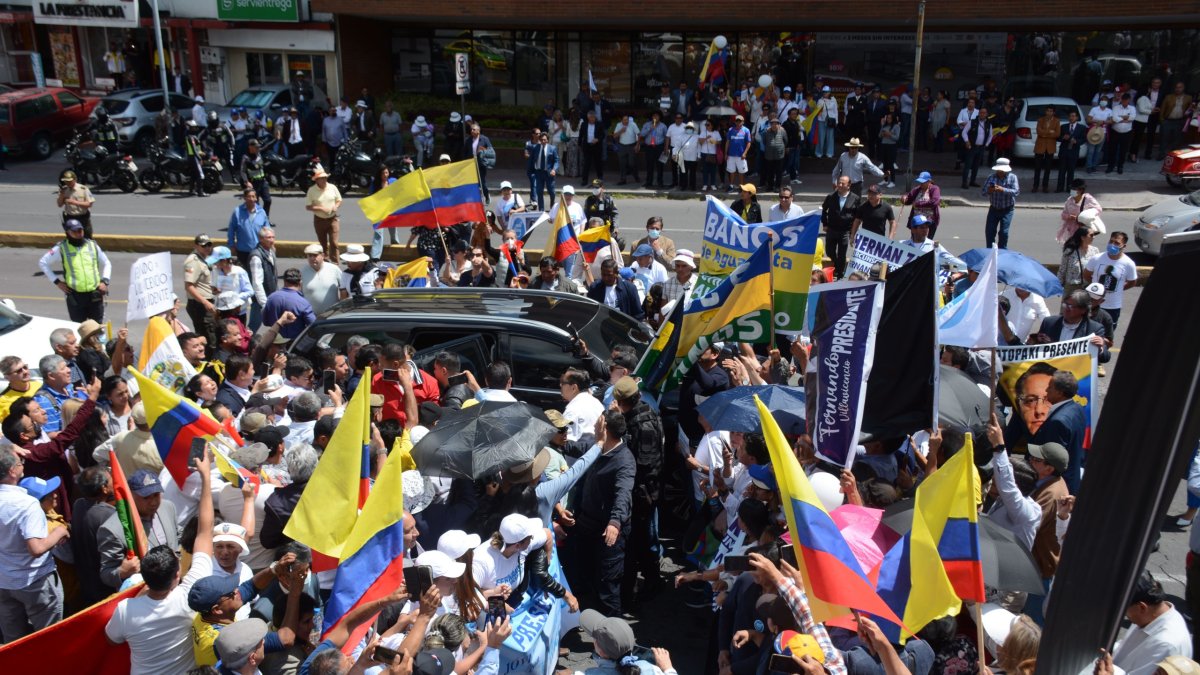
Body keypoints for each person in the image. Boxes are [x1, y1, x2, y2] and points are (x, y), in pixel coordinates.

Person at [105, 453, 215, 675]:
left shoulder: (126, 611)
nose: (155, 501)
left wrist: (137, 597)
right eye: (147, 496)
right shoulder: (188, 599)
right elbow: (205, 531)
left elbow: (111, 639)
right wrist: (205, 477)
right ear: (177, 575)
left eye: (157, 494)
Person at [565, 411, 635, 616]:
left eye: (597, 423)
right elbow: (576, 448)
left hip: (608, 532)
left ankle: (612, 636)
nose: (594, 426)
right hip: (587, 524)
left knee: (608, 583)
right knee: (585, 574)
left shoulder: (624, 460)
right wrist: (554, 441)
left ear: (604, 429)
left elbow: (623, 494)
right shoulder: (597, 447)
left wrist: (614, 522)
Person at [0, 446, 69, 642]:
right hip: (35, 583)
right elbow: (36, 548)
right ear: (13, 471)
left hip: (4, 583)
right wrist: (59, 532)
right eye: (20, 463)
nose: (23, 466)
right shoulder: (27, 504)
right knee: (48, 640)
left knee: (14, 642)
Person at [38, 218, 111, 323]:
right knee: (79, 327)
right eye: (74, 231)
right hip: (76, 296)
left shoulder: (92, 245)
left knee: (98, 327)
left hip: (94, 294)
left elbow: (107, 263)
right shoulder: (61, 248)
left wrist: (105, 281)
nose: (78, 234)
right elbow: (43, 262)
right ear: (67, 232)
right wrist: (57, 282)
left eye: (80, 230)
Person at [1084, 231, 1139, 329]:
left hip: (1113, 306)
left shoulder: (1128, 264)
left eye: (1117, 243)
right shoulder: (1097, 258)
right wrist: (1095, 288)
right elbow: (1087, 275)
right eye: (1111, 241)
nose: (1112, 245)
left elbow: (1132, 282)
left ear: (1124, 246)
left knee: (1107, 335)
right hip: (1093, 303)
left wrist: (1119, 289)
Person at [821, 176, 862, 278]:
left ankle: (840, 274)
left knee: (842, 254)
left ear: (849, 185)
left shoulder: (855, 198)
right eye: (839, 183)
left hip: (845, 231)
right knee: (829, 251)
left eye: (843, 183)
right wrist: (825, 224)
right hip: (831, 229)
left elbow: (858, 216)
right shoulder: (831, 196)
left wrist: (853, 232)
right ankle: (837, 265)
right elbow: (823, 210)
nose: (840, 185)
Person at [263, 269, 316, 342]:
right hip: (293, 344)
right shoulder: (303, 303)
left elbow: (266, 322)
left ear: (284, 281)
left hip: (274, 342)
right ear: (300, 283)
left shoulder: (271, 298)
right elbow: (313, 325)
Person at [184, 234, 217, 347]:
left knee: (211, 335)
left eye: (209, 245)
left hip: (206, 303)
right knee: (208, 338)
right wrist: (205, 302)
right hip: (200, 306)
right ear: (196, 246)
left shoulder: (204, 258)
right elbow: (189, 286)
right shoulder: (193, 261)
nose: (207, 248)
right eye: (204, 246)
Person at [305, 166, 342, 264]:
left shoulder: (332, 187)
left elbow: (339, 200)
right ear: (317, 180)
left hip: (333, 218)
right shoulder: (312, 190)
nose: (324, 180)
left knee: (334, 243)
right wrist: (321, 208)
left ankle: (335, 263)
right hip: (319, 219)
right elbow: (308, 206)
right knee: (323, 244)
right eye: (322, 178)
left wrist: (336, 206)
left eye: (325, 178)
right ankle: (325, 262)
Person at [983, 158, 1020, 249]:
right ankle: (990, 251)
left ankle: (1003, 251)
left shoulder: (1012, 177)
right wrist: (990, 190)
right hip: (994, 209)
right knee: (990, 232)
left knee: (1004, 232)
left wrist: (1002, 189)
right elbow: (983, 192)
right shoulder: (991, 177)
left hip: (1007, 209)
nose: (1000, 172)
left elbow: (1016, 192)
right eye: (999, 170)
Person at [1057, 179, 1103, 245]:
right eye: (1071, 188)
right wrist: (1069, 217)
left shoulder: (1088, 199)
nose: (1072, 190)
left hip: (1084, 230)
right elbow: (1063, 215)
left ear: (1081, 190)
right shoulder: (1069, 200)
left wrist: (1084, 216)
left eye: (1074, 189)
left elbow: (1098, 209)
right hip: (1072, 231)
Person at [300, 243, 341, 315]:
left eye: (315, 255)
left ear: (323, 256)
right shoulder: (302, 272)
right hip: (311, 316)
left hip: (333, 315)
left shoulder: (334, 269)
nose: (312, 258)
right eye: (310, 256)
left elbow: (345, 289)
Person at [901, 171, 942, 237]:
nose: (921, 183)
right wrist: (904, 198)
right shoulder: (916, 189)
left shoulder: (934, 189)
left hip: (929, 221)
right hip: (916, 221)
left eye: (923, 182)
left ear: (929, 181)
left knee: (927, 242)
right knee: (914, 241)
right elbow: (909, 199)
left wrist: (918, 204)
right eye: (920, 182)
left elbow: (934, 202)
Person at [56, 170, 95, 237]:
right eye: (66, 181)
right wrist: (61, 195)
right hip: (70, 217)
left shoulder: (83, 189)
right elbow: (59, 204)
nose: (68, 183)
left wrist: (75, 202)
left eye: (70, 181)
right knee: (71, 237)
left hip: (82, 217)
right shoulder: (64, 190)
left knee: (87, 236)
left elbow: (89, 204)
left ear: (75, 179)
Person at [961, 103, 991, 188]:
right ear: (978, 113)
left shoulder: (988, 124)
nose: (982, 114)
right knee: (968, 165)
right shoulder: (972, 122)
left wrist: (986, 144)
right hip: (972, 147)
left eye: (984, 113)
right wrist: (967, 141)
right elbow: (964, 132)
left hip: (981, 147)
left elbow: (990, 135)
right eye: (981, 113)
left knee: (976, 165)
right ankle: (964, 182)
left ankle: (972, 181)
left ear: (987, 114)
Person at [1032, 104, 1061, 193]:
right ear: (1045, 111)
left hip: (1050, 146)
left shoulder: (1057, 121)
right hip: (1040, 145)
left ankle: (1045, 186)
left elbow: (1057, 134)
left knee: (1048, 168)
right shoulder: (1040, 120)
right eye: (1048, 111)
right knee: (1037, 167)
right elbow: (1039, 132)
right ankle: (1035, 186)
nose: (1049, 112)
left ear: (1053, 112)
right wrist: (1049, 132)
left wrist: (1045, 133)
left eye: (1051, 111)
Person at [1057, 110, 1088, 193]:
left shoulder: (1081, 127)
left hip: (1074, 151)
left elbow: (1084, 139)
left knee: (1071, 171)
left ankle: (1069, 189)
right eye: (1070, 116)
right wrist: (1063, 137)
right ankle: (1059, 188)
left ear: (1077, 117)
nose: (1071, 118)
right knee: (1061, 171)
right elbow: (1058, 137)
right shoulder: (1064, 126)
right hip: (1064, 151)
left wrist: (1076, 142)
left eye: (1073, 116)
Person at [239, 139, 272, 216]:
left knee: (268, 201)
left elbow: (267, 146)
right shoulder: (246, 157)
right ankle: (255, 220)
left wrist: (276, 139)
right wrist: (247, 182)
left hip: (263, 182)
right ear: (250, 147)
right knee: (255, 204)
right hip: (254, 184)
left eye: (258, 147)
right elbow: (242, 171)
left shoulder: (258, 152)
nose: (258, 148)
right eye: (256, 147)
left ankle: (265, 219)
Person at [1106, 93, 1136, 174]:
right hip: (1115, 132)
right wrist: (1125, 118)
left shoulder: (1132, 108)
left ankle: (1120, 166)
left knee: (1123, 151)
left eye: (1126, 100)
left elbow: (1132, 118)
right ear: (1121, 100)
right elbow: (1115, 118)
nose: (1125, 102)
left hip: (1127, 133)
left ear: (1129, 100)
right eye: (1123, 100)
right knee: (1112, 150)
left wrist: (1121, 117)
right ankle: (1110, 166)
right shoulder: (1116, 107)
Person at [529, 130, 559, 211]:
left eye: (544, 139)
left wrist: (554, 169)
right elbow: (531, 160)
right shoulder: (535, 148)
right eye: (541, 139)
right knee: (539, 191)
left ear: (547, 140)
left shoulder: (552, 148)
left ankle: (552, 206)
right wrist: (530, 171)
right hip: (539, 172)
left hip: (549, 173)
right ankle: (541, 210)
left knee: (552, 192)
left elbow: (556, 161)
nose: (543, 141)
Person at [725, 115, 753, 192]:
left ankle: (742, 186)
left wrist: (745, 153)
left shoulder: (746, 130)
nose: (738, 122)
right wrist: (726, 153)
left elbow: (748, 143)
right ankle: (731, 186)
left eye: (740, 121)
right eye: (737, 121)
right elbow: (728, 142)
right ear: (735, 121)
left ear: (743, 122)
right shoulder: (730, 130)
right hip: (731, 155)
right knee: (731, 171)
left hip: (741, 155)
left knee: (741, 172)